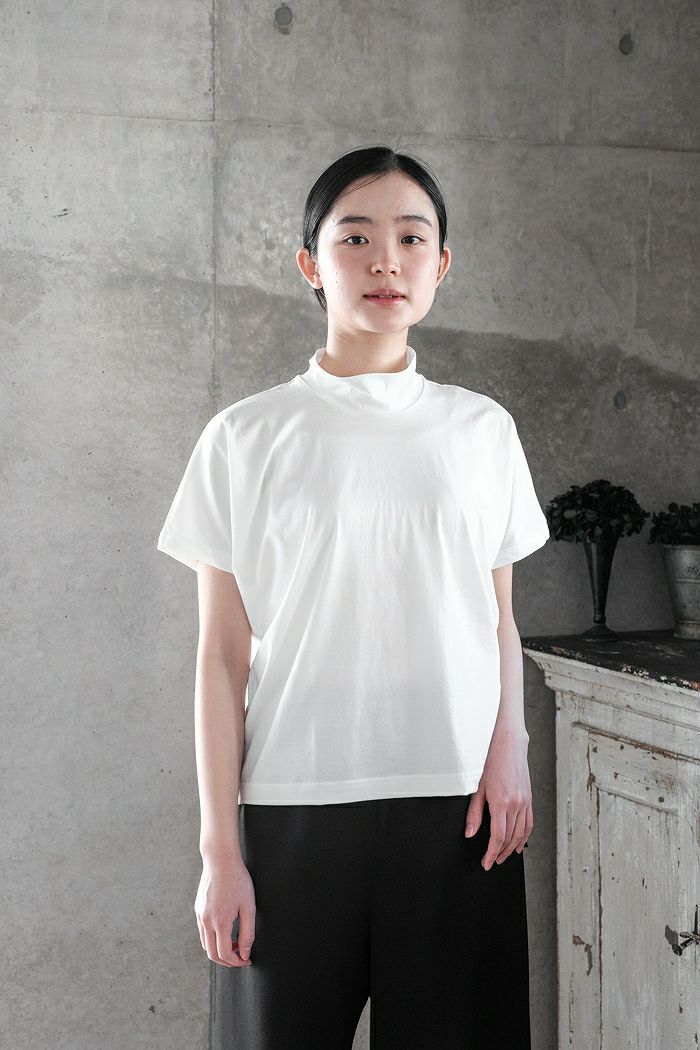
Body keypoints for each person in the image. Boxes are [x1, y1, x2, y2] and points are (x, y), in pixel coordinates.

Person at [156, 144, 550, 1049]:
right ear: (310, 263)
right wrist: (221, 851)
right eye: (356, 237)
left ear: (441, 264)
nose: (386, 262)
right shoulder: (245, 436)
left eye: (412, 238)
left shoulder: (482, 431)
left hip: (460, 806)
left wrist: (513, 750)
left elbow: (499, 617)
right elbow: (221, 657)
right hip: (291, 810)